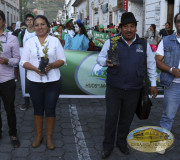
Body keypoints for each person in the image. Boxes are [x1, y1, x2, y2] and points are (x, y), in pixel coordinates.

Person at [97, 12, 157, 159]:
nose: (129, 30)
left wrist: (153, 84)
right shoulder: (112, 41)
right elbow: (100, 58)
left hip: (134, 89)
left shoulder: (143, 44)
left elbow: (151, 64)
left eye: (132, 26)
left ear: (136, 28)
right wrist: (106, 62)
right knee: (111, 118)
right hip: (114, 88)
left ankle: (121, 143)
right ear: (120, 28)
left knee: (126, 118)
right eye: (125, 26)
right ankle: (107, 146)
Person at [20, 15, 66, 150]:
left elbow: (62, 60)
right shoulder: (29, 42)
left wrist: (51, 65)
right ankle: (39, 136)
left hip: (53, 81)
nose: (40, 27)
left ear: (48, 26)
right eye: (37, 25)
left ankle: (49, 138)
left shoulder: (55, 41)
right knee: (38, 109)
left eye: (43, 24)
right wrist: (35, 69)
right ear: (33, 27)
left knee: (50, 109)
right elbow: (23, 62)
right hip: (34, 81)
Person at [155, 13, 180, 154]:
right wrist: (171, 70)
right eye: (179, 21)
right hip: (174, 84)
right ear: (175, 24)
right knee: (168, 115)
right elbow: (158, 61)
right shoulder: (166, 40)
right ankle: (162, 143)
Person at [0, 10, 20, 148]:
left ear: (3, 21)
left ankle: (13, 134)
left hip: (6, 79)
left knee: (10, 109)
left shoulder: (11, 38)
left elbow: (17, 60)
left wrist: (7, 60)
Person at [18, 13, 36, 111]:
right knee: (25, 81)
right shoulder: (22, 33)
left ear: (34, 21)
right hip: (25, 62)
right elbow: (20, 47)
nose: (29, 21)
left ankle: (37, 101)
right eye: (27, 20)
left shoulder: (38, 31)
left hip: (36, 60)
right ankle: (26, 102)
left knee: (36, 80)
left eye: (31, 19)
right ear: (25, 22)